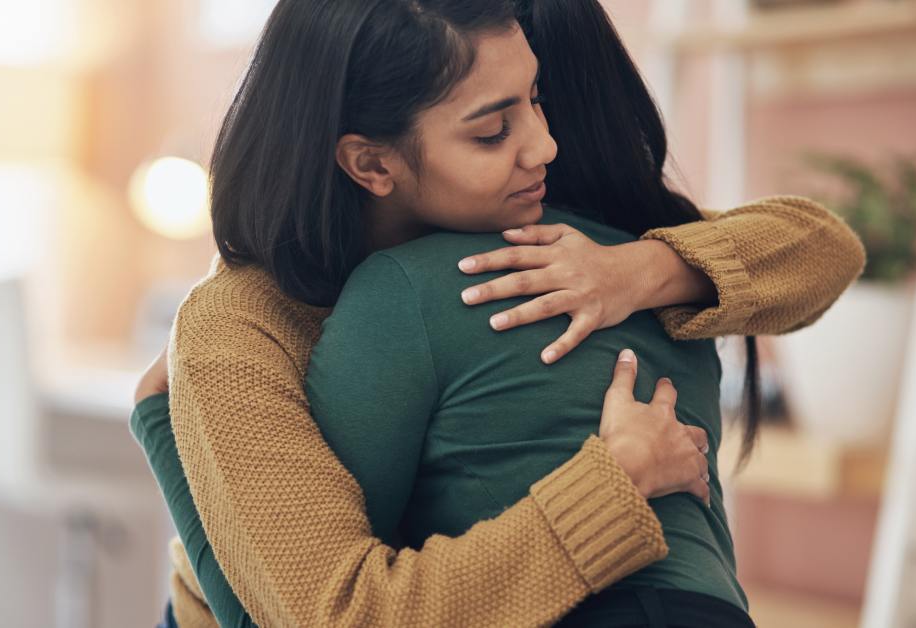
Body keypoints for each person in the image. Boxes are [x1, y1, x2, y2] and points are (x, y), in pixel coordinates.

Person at [130, 0, 866, 626]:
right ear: (372, 165)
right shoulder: (238, 325)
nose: (544, 145)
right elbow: (333, 611)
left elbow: (823, 248)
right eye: (491, 131)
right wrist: (616, 482)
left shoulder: (542, 243)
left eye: (536, 99)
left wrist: (634, 270)